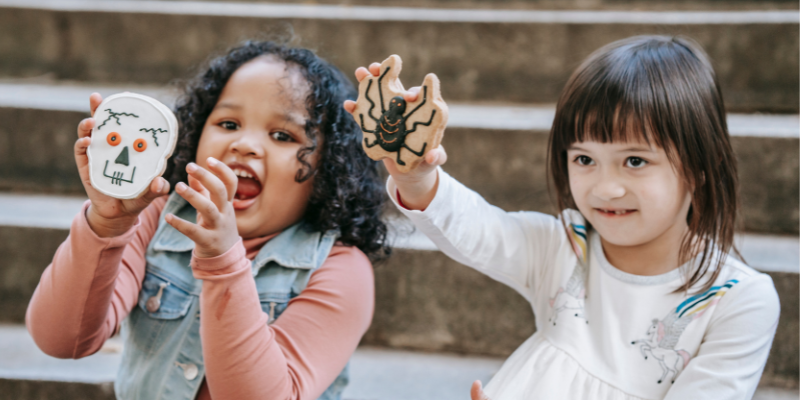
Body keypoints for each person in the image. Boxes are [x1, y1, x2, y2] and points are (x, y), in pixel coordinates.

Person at [345, 35, 780, 399]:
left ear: (699, 167)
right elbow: (478, 227)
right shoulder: (563, 247)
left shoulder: (740, 301)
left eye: (634, 161)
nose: (605, 187)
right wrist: (417, 176)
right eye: (585, 158)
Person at [27, 41, 389, 400]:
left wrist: (223, 261)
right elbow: (61, 339)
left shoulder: (341, 271)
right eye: (229, 123)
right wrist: (105, 226)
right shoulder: (155, 218)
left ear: (328, 169)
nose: (245, 144)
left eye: (282, 135)